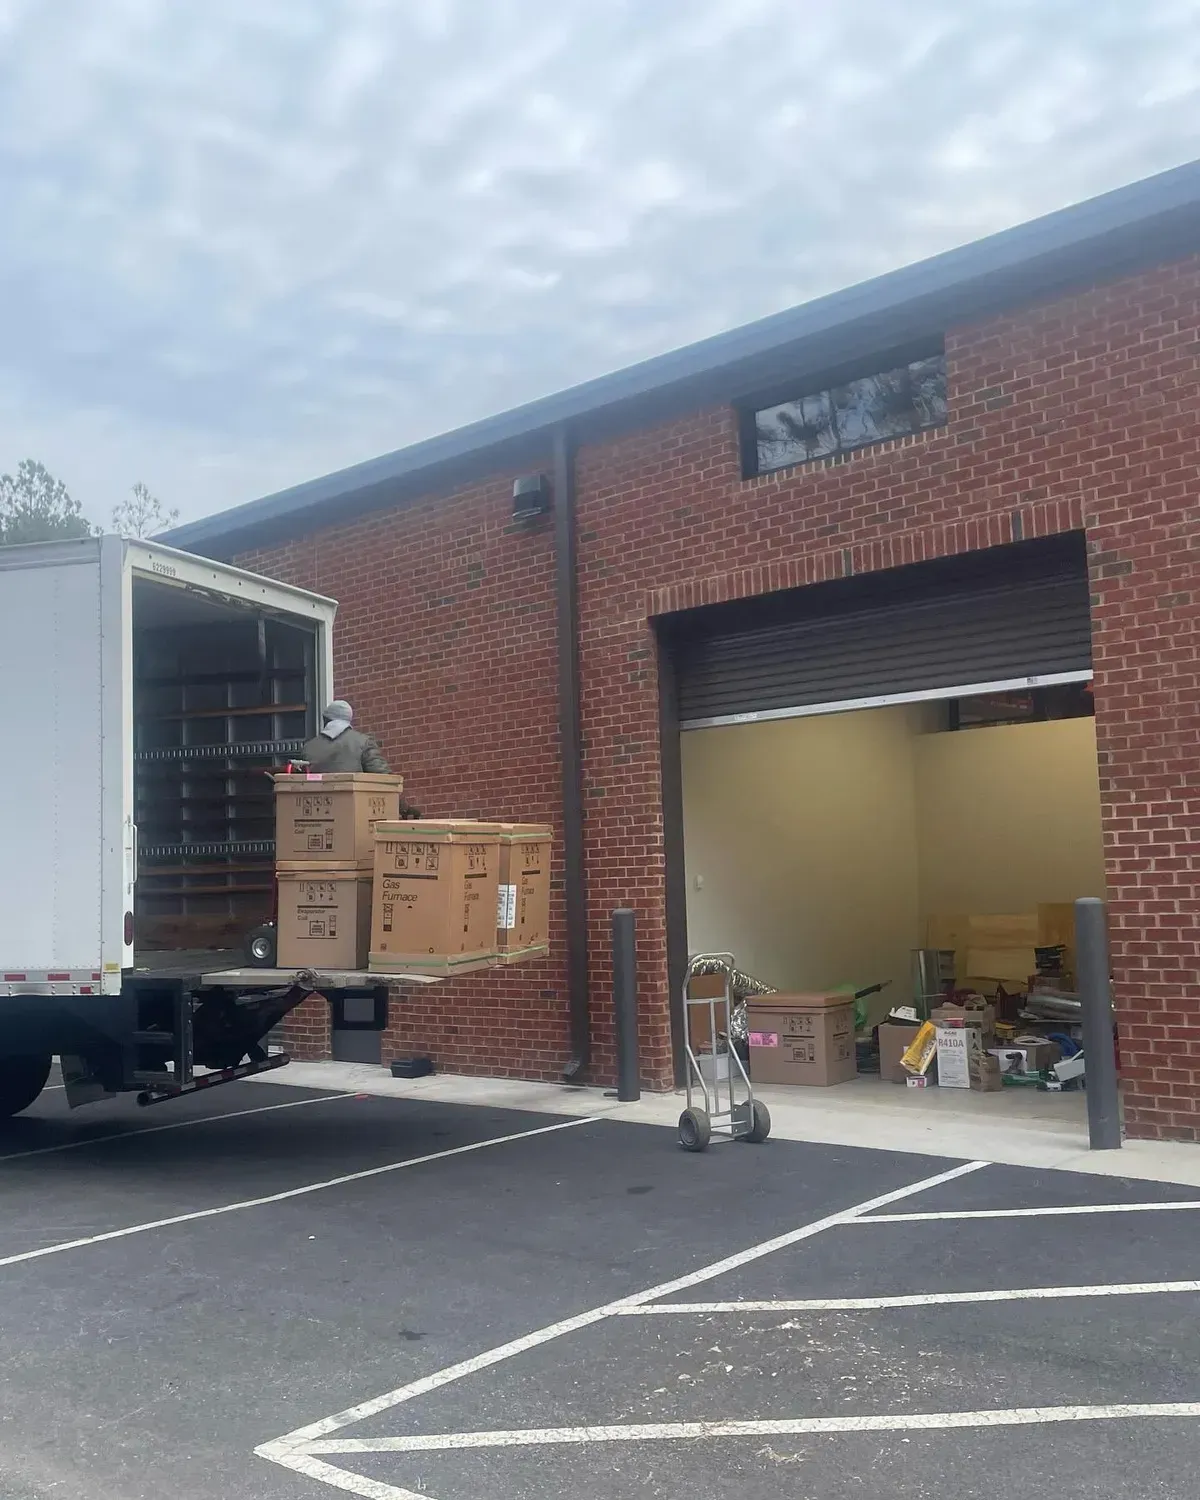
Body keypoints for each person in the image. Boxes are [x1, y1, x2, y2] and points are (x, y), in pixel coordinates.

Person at [301, 700, 391, 774]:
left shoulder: (308, 747)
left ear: (325, 719)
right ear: (349, 719)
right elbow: (384, 777)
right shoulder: (364, 742)